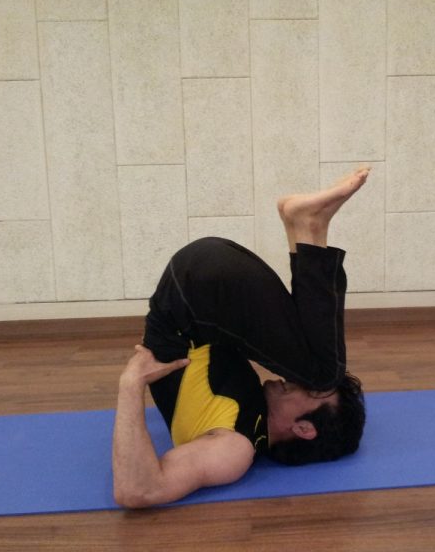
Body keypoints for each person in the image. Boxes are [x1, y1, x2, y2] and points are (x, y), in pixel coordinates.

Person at [112, 167, 370, 509]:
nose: (296, 381)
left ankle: (309, 225)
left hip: (193, 301)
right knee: (320, 364)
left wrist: (131, 383)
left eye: (311, 393)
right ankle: (304, 225)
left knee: (325, 372)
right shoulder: (256, 409)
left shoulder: (235, 450)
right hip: (205, 292)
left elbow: (137, 491)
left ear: (305, 429)